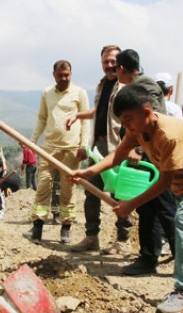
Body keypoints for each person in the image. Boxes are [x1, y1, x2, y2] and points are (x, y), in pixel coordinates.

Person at [72, 84, 183, 313]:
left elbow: (164, 182)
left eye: (128, 120)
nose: (126, 126)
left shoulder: (168, 135)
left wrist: (131, 204)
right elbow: (118, 155)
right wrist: (90, 171)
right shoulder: (137, 129)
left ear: (146, 112)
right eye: (122, 121)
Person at [114, 49, 178, 276]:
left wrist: (139, 149)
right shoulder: (138, 84)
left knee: (164, 206)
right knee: (148, 206)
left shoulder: (145, 85)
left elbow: (153, 122)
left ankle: (182, 258)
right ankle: (149, 257)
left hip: (155, 156)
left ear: (121, 68)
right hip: (147, 154)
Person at [66, 44, 133, 255]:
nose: (109, 65)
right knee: (91, 191)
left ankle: (123, 240)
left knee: (119, 193)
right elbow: (101, 111)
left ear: (120, 63)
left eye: (113, 61)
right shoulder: (102, 85)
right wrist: (78, 115)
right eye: (106, 61)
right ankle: (91, 237)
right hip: (98, 145)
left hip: (117, 146)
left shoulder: (125, 85)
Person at [26, 60, 90, 243]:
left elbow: (85, 121)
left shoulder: (79, 93)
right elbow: (42, 118)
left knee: (67, 189)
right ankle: (37, 226)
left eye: (67, 75)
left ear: (71, 74)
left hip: (71, 149)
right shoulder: (46, 93)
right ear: (54, 75)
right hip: (49, 148)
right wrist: (33, 139)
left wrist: (84, 145)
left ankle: (66, 227)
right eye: (60, 75)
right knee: (43, 185)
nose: (64, 78)